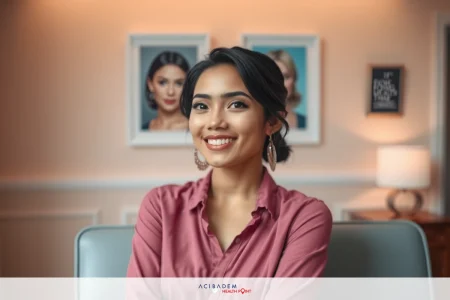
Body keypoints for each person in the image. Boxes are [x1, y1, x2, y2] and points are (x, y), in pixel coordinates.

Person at [127, 47, 332, 278]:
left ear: (272, 121)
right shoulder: (161, 206)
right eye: (201, 106)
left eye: (236, 104)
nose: (214, 122)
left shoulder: (304, 217)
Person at [142, 51, 190, 131]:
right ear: (150, 84)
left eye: (179, 83)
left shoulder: (196, 131)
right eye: (162, 82)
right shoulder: (141, 131)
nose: (170, 92)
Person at [267, 49, 307, 129]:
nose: (280, 84)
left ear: (294, 80)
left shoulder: (307, 123)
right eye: (274, 77)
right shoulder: (254, 122)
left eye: (286, 77)